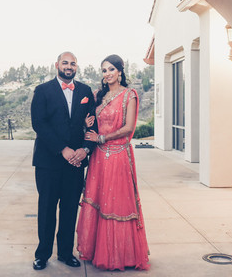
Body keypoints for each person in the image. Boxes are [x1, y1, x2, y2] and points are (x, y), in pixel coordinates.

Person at [77, 54, 150, 271]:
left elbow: (128, 128)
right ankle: (96, 250)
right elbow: (91, 124)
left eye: (111, 69)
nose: (107, 74)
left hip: (117, 155)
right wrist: (86, 123)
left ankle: (121, 255)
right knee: (98, 200)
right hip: (99, 157)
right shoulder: (98, 95)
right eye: (104, 71)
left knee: (117, 203)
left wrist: (102, 138)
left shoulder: (130, 95)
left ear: (120, 71)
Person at [30, 51, 98, 271]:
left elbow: (93, 125)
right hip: (48, 162)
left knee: (69, 209)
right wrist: (63, 149)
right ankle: (42, 254)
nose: (69, 66)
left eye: (73, 63)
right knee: (47, 208)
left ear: (77, 67)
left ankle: (66, 253)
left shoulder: (86, 91)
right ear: (57, 65)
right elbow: (39, 124)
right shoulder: (42, 91)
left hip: (76, 163)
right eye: (65, 63)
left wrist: (85, 149)